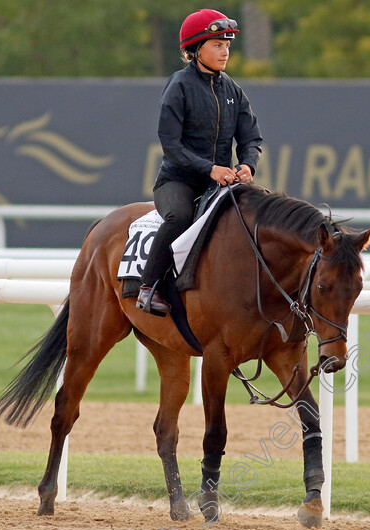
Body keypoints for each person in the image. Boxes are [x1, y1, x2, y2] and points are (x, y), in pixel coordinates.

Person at [138, 8, 263, 315]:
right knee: (179, 216)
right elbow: (171, 145)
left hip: (221, 182)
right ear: (195, 49)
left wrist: (247, 164)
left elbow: (251, 139)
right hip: (177, 181)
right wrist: (209, 168)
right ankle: (147, 287)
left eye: (228, 45)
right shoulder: (179, 85)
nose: (225, 52)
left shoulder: (233, 89)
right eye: (217, 45)